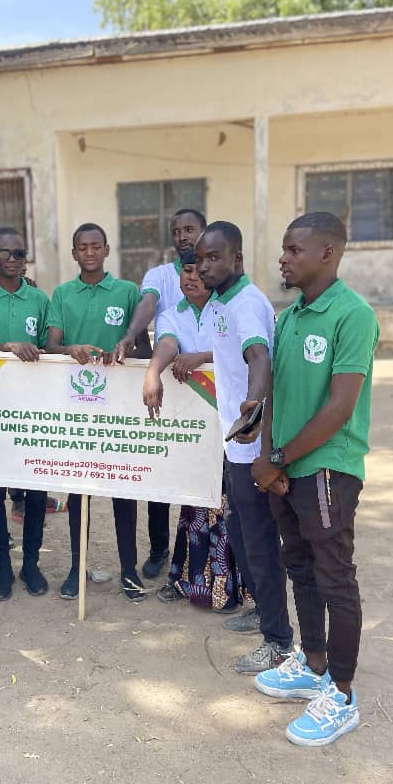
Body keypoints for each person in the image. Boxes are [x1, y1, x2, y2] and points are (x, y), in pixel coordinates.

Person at [251, 211, 379, 747]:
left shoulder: (353, 315)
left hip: (328, 468)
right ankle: (314, 663)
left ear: (327, 253)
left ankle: (343, 694)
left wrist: (278, 457)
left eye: (293, 250)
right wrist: (267, 455)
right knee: (298, 565)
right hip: (286, 466)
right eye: (284, 249)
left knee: (333, 575)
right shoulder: (289, 317)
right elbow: (275, 394)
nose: (283, 258)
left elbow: (339, 408)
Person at [196, 221, 293, 674]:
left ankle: (278, 642)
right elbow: (227, 355)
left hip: (252, 442)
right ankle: (261, 612)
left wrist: (252, 408)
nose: (205, 265)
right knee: (240, 534)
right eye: (201, 258)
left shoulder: (247, 305)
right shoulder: (220, 301)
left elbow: (259, 356)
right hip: (233, 441)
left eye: (215, 257)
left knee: (258, 542)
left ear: (237, 258)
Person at [46, 222, 147, 601]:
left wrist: (121, 354)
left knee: (124, 492)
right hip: (76, 408)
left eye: (95, 246)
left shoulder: (126, 292)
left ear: (107, 250)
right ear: (74, 254)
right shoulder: (62, 294)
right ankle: (76, 569)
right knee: (79, 494)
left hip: (118, 409)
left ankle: (130, 572)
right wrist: (70, 349)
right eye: (82, 247)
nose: (89, 252)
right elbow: (51, 345)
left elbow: (140, 347)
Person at [142, 252, 240, 611]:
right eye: (186, 270)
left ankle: (232, 590)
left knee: (232, 508)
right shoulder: (172, 314)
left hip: (233, 426)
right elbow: (167, 343)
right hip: (196, 429)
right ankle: (188, 582)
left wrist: (201, 356)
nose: (193, 277)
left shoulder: (229, 308)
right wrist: (154, 371)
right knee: (195, 505)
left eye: (200, 271)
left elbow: (247, 350)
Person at [114, 209, 207, 581]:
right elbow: (150, 305)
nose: (183, 236)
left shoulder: (222, 284)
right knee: (160, 469)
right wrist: (131, 335)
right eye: (177, 231)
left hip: (210, 396)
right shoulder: (161, 277)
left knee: (201, 479)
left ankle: (194, 562)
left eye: (190, 230)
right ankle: (159, 548)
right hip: (169, 386)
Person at [0, 228, 51, 600]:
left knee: (35, 490)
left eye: (20, 253)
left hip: (33, 409)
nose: (14, 259)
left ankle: (30, 564)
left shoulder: (38, 298)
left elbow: (50, 348)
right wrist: (9, 347)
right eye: (6, 253)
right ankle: (2, 567)